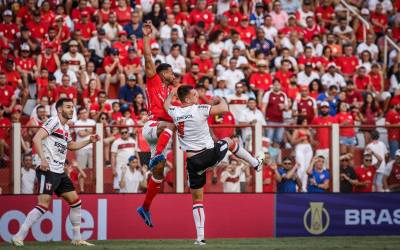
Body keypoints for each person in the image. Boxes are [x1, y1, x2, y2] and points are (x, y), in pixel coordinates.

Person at [164, 85, 264, 244]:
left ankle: (200, 238)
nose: (197, 96)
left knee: (197, 199)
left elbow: (166, 104)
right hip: (207, 155)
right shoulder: (199, 109)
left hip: (192, 162)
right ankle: (255, 164)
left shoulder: (174, 112)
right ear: (188, 99)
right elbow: (224, 108)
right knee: (230, 142)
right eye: (195, 94)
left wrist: (171, 94)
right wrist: (220, 99)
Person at [11, 98, 99, 247]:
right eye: (68, 107)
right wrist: (43, 159)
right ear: (59, 110)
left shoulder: (65, 128)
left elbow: (71, 145)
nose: (72, 109)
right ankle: (18, 236)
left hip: (59, 171)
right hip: (48, 169)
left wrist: (89, 140)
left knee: (76, 202)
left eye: (73, 107)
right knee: (44, 204)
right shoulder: (53, 121)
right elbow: (36, 138)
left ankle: (77, 238)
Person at [136, 21, 177, 227]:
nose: (173, 75)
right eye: (170, 72)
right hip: (153, 126)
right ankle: (158, 155)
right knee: (169, 127)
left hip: (161, 136)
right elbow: (148, 57)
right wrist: (146, 37)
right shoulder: (154, 80)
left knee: (158, 176)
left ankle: (145, 207)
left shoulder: (171, 94)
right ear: (162, 73)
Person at [291, 115, 314, 192]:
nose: (306, 122)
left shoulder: (308, 131)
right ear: (301, 122)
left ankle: (304, 187)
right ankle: (298, 186)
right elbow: (292, 142)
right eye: (304, 121)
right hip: (300, 147)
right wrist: (301, 138)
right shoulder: (297, 130)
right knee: (300, 167)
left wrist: (310, 136)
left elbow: (312, 142)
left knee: (307, 167)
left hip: (308, 147)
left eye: (306, 121)